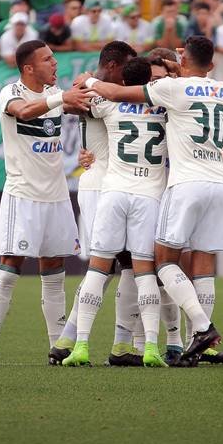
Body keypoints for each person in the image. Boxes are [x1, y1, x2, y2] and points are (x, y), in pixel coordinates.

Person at [78, 36, 223, 364]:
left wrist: (89, 80)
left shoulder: (170, 91)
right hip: (218, 184)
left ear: (183, 60)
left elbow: (115, 93)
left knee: (163, 261)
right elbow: (195, 75)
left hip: (182, 184)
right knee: (203, 264)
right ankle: (200, 345)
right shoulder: (221, 88)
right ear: (211, 64)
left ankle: (202, 328)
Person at [0, 40, 91, 365]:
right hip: (22, 195)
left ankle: (58, 349)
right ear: (29, 68)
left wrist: (90, 87)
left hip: (56, 197)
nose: (55, 64)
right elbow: (23, 111)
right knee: (10, 269)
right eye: (48, 59)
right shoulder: (11, 93)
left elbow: (89, 109)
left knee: (54, 272)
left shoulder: (56, 95)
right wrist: (61, 97)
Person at [61, 57, 168, 367]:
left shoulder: (108, 105)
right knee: (143, 271)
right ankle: (150, 347)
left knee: (98, 268)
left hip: (113, 192)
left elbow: (76, 97)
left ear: (122, 81)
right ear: (150, 80)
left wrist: (86, 79)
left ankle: (80, 346)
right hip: (148, 195)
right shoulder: (164, 106)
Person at [50, 40, 141, 367]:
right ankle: (119, 344)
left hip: (93, 184)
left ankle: (67, 340)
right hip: (110, 185)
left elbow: (67, 101)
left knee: (105, 267)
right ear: (114, 66)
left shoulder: (85, 91)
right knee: (128, 263)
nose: (129, 78)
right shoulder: (108, 94)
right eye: (127, 69)